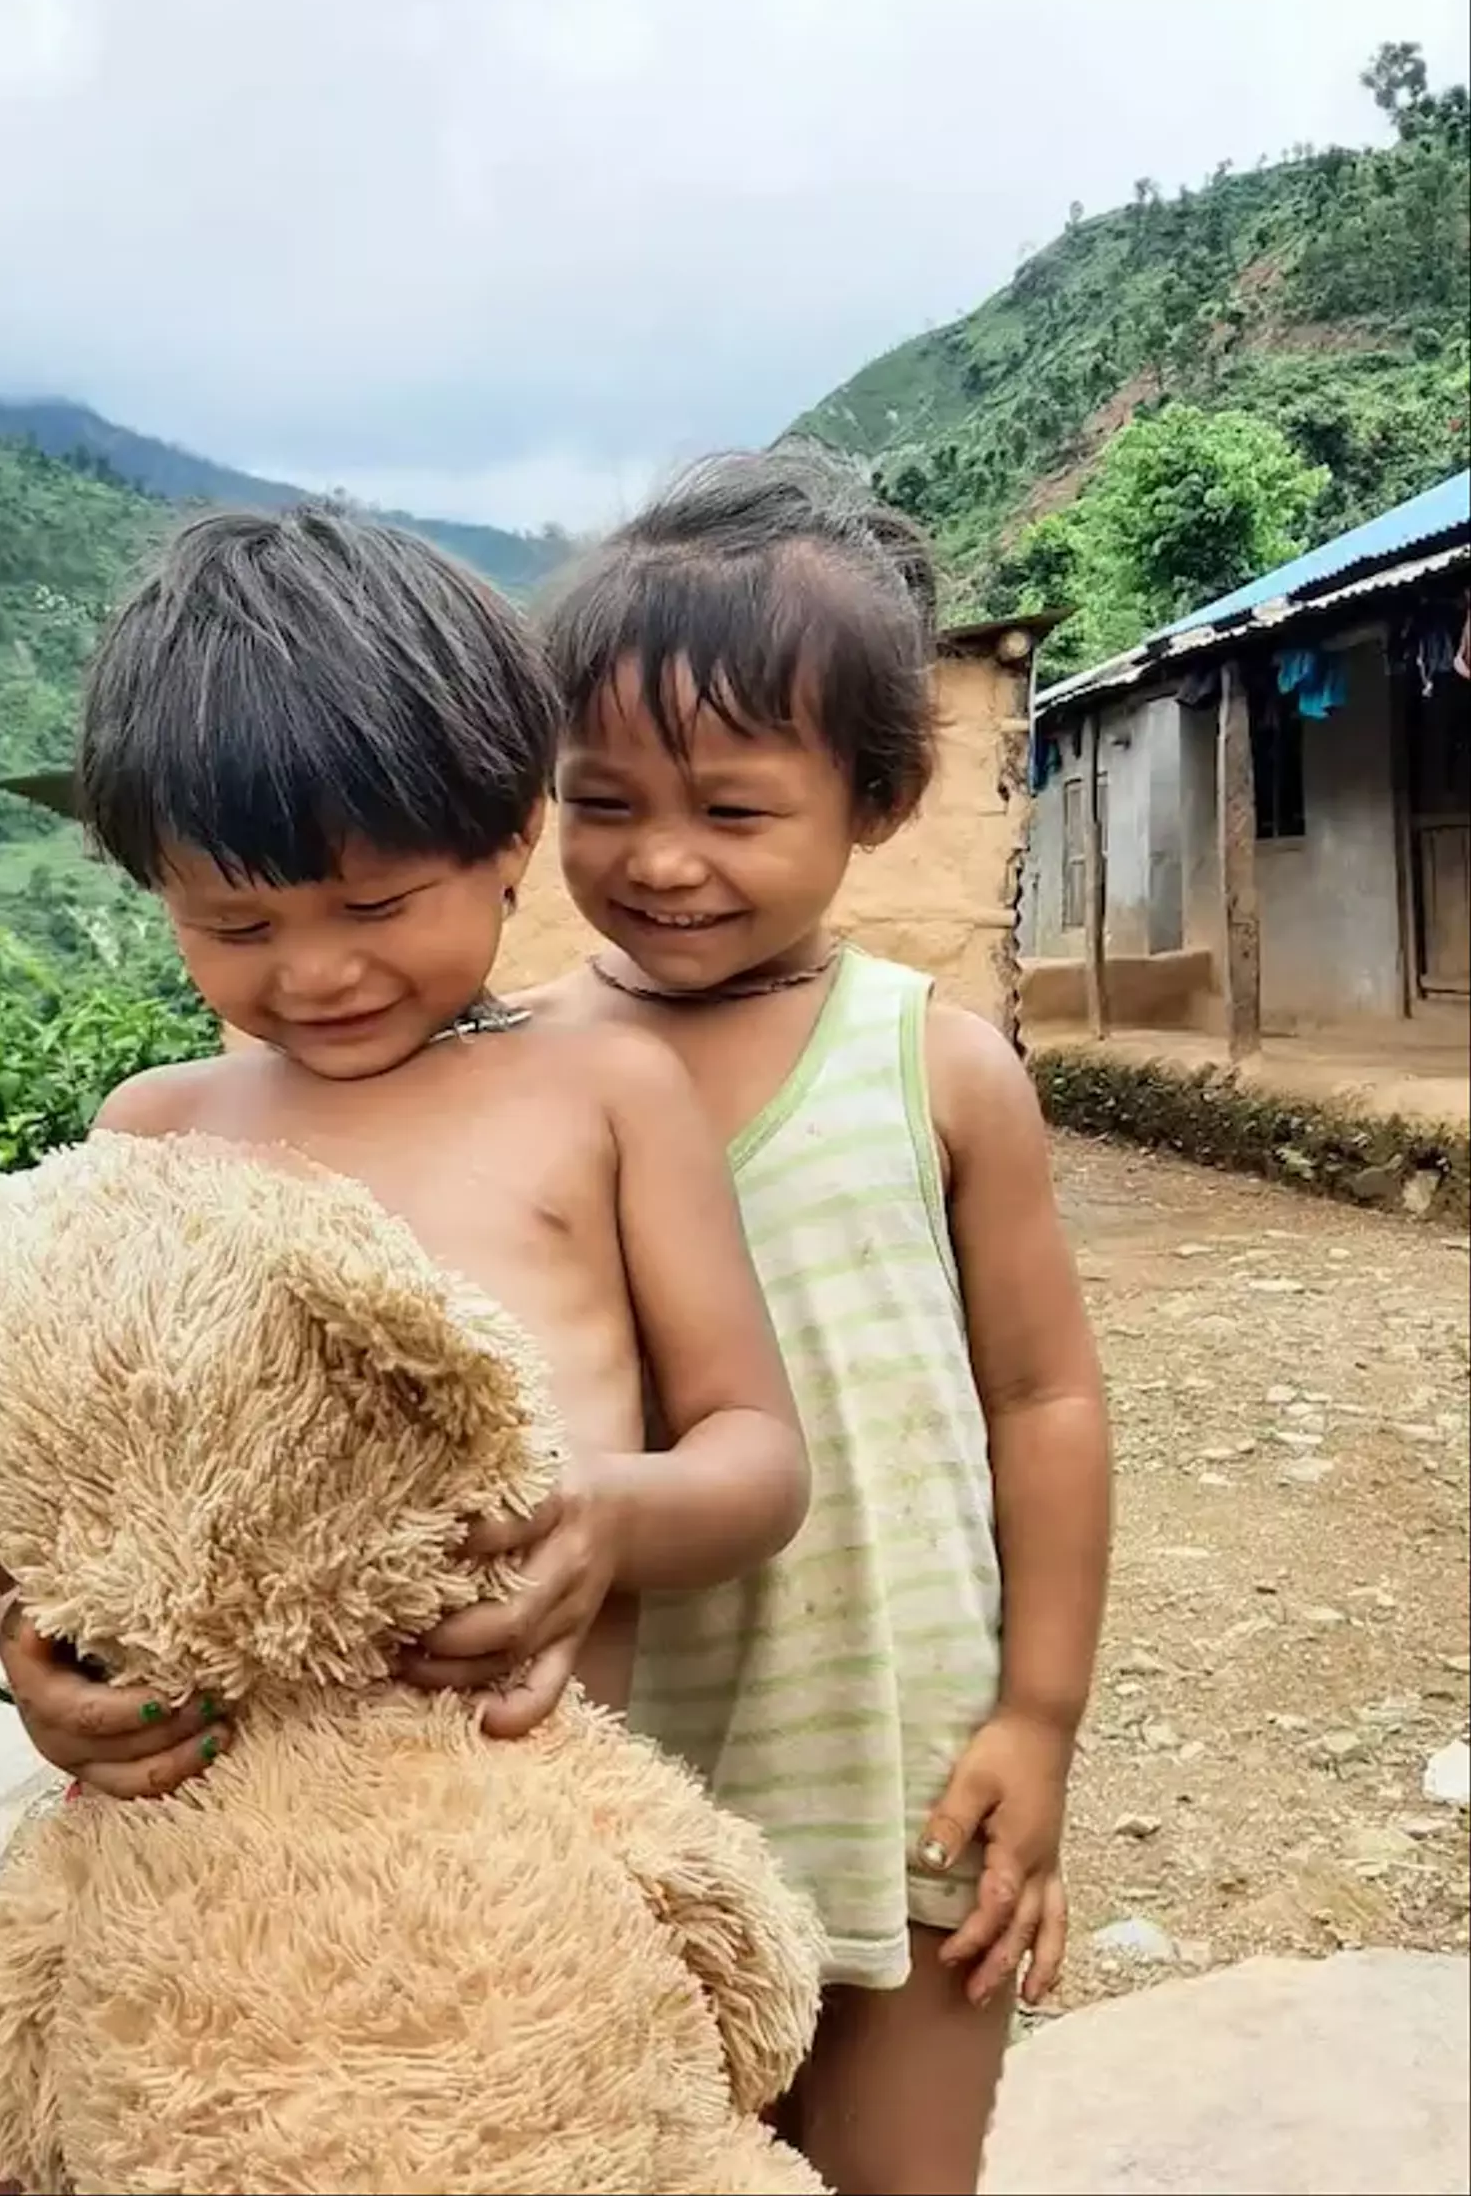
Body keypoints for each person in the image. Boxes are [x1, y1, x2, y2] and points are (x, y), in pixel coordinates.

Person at [0, 503, 812, 2194]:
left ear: (510, 831)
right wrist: (34, 1668)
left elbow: (756, 1453)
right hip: (195, 1862)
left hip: (517, 1863)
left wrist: (609, 1522)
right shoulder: (152, 1127)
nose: (319, 969)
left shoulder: (601, 1095)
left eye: (372, 899)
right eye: (237, 924)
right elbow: (45, 1491)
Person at [417, 443, 1112, 2196]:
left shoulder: (936, 1068)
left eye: (732, 810)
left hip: (892, 1756)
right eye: (603, 800)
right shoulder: (510, 1083)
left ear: (874, 804)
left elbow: (1043, 1402)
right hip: (612, 1762)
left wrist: (1037, 1721)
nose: (661, 862)